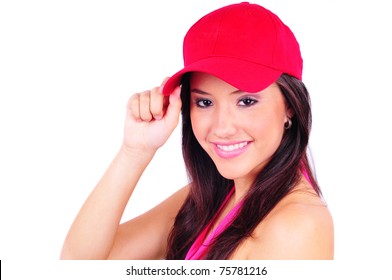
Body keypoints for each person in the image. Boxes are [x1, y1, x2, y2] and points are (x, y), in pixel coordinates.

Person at [60, 2, 334, 260]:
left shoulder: (297, 225)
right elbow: (80, 264)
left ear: (290, 106)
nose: (223, 128)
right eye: (204, 102)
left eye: (246, 101)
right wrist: (135, 151)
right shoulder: (209, 200)